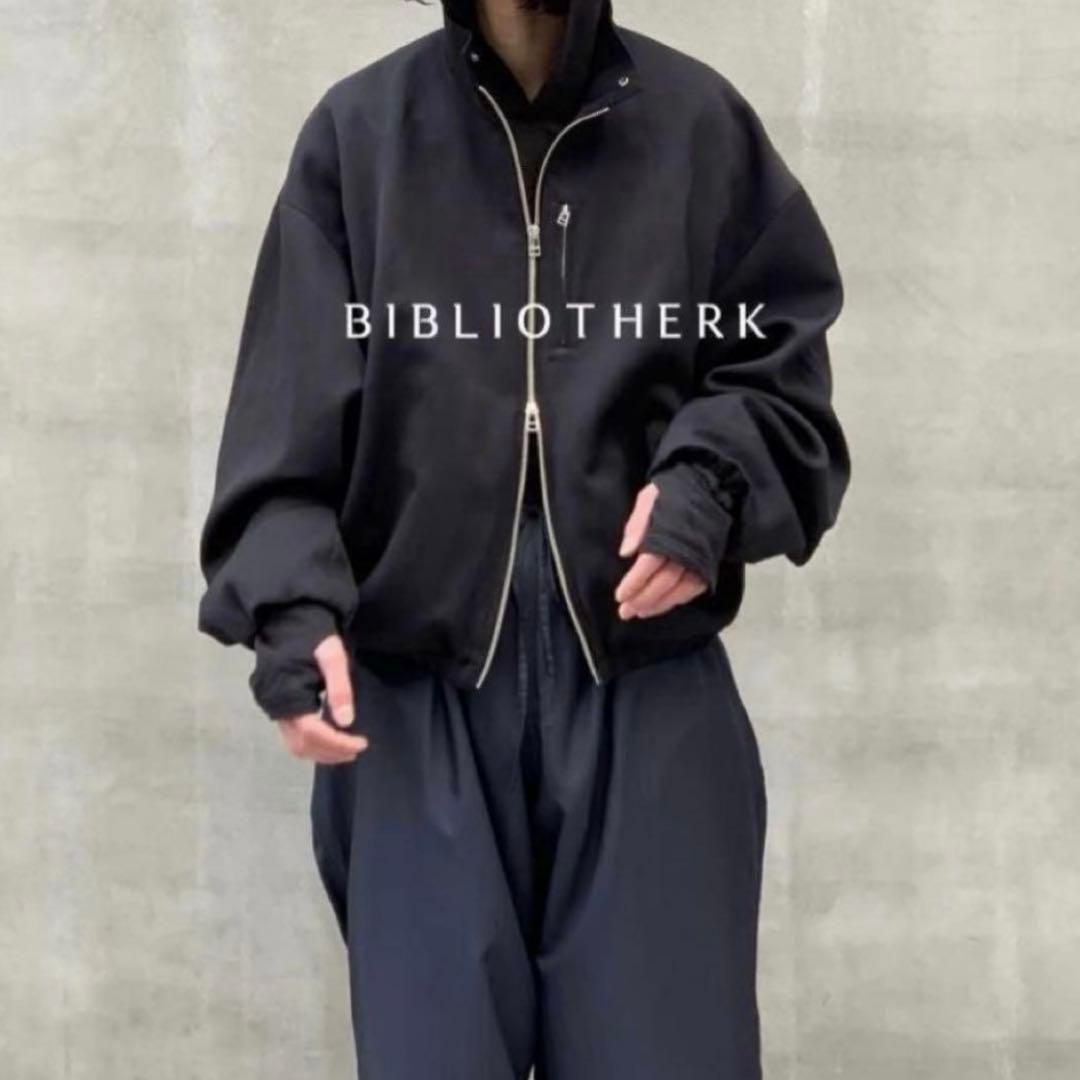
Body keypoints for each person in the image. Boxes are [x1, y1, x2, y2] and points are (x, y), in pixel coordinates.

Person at [197, 0, 850, 1075]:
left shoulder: (699, 127)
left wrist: (706, 486)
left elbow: (783, 379)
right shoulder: (360, 139)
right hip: (413, 706)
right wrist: (293, 615)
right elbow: (284, 428)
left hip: (648, 692)